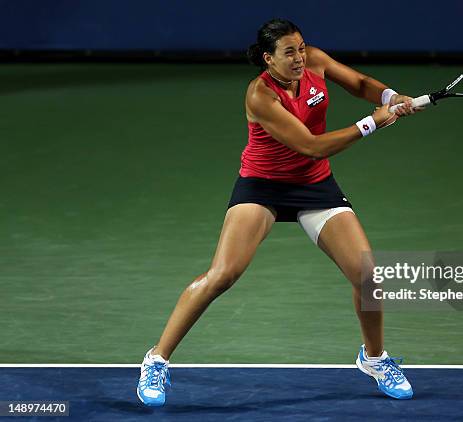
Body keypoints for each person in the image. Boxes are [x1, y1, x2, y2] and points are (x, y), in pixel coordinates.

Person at [137, 18, 420, 407]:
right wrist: (373, 122)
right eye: (289, 52)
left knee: (368, 275)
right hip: (263, 187)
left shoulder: (315, 62)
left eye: (301, 48)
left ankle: (374, 359)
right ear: (268, 59)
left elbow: (356, 83)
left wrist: (389, 95)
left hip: (315, 187)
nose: (300, 58)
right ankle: (156, 360)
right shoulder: (260, 96)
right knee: (223, 275)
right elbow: (312, 146)